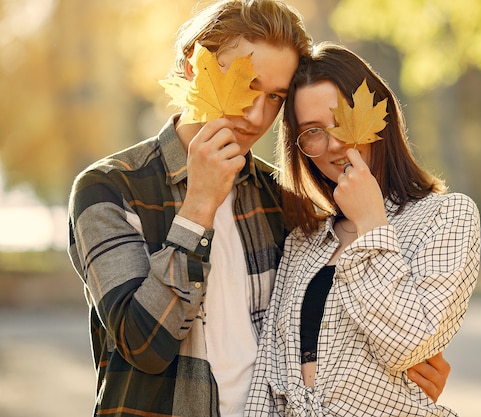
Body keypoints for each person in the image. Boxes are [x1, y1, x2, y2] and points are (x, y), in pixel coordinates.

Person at [68, 1, 450, 416]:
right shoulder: (109, 188)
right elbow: (143, 345)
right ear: (195, 67)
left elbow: (325, 333)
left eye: (274, 97)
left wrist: (404, 373)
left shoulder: (283, 199)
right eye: (245, 85)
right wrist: (198, 206)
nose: (256, 115)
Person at [245, 42, 481, 416]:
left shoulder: (446, 217)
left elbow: (406, 344)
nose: (335, 144)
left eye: (343, 120)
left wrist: (372, 224)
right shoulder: (303, 241)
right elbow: (268, 377)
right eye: (312, 132)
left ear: (379, 115)